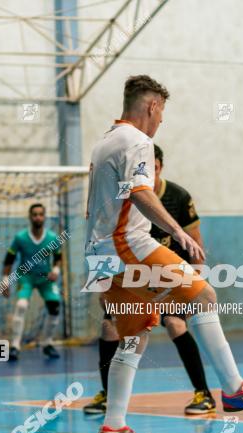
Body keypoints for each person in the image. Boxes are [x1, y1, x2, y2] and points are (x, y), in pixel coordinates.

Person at [84, 74, 243, 433]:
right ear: (152, 106)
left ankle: (113, 425)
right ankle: (234, 388)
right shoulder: (138, 140)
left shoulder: (104, 142)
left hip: (100, 254)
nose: (161, 122)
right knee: (204, 296)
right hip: (127, 244)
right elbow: (141, 193)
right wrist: (179, 232)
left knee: (135, 338)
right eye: (162, 113)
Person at [85, 144, 216, 416]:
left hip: (166, 276)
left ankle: (203, 393)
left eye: (154, 169)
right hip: (131, 276)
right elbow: (105, 237)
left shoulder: (178, 198)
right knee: (110, 327)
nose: (150, 175)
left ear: (160, 168)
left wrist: (196, 286)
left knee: (175, 323)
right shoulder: (125, 196)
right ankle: (108, 396)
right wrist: (103, 282)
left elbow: (197, 246)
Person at [0, 203, 63, 360]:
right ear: (30, 217)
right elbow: (9, 260)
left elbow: (58, 257)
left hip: (45, 278)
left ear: (44, 217)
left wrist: (55, 271)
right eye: (34, 214)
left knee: (54, 307)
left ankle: (47, 343)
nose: (38, 217)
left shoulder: (52, 238)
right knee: (21, 305)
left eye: (41, 214)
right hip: (25, 277)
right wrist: (5, 281)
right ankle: (14, 346)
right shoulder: (20, 238)